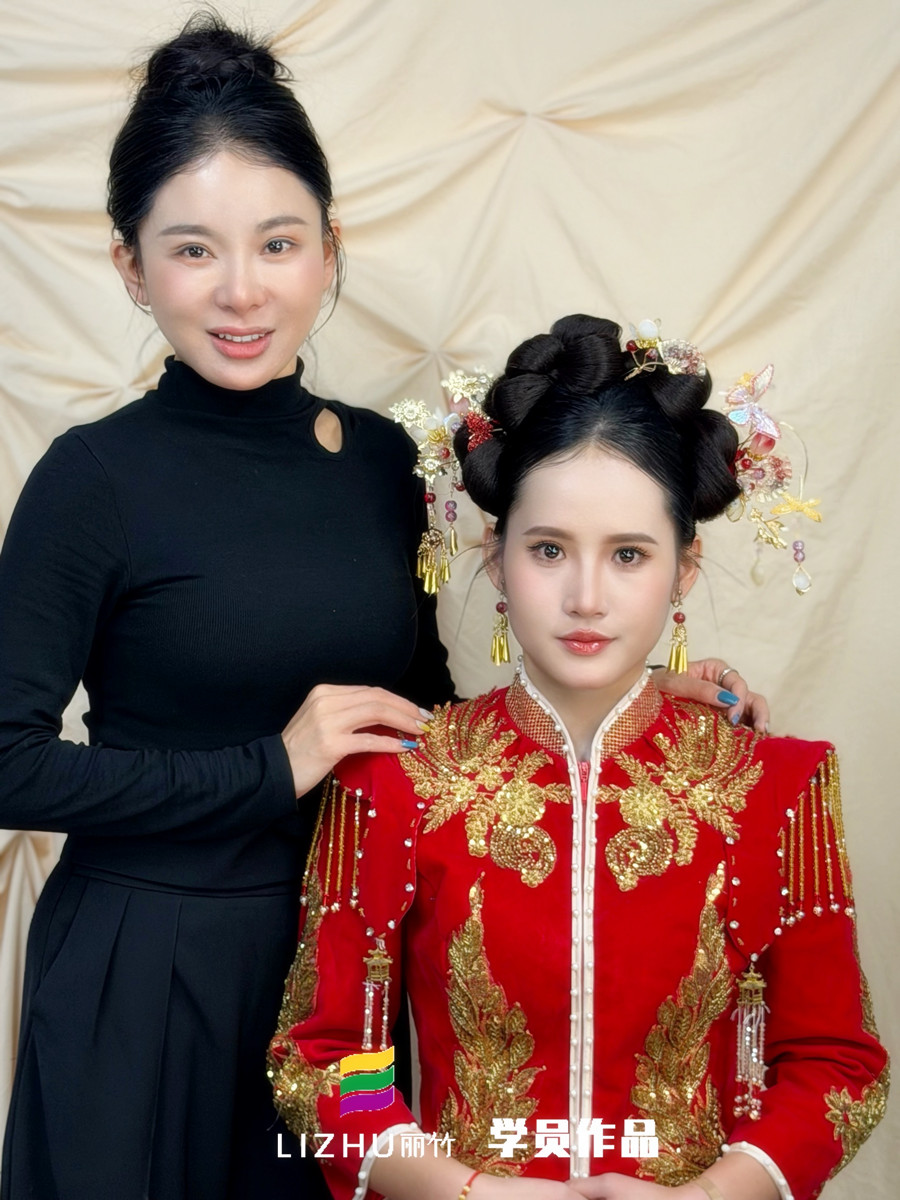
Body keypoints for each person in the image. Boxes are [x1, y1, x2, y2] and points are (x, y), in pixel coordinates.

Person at [0, 15, 762, 1199]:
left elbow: (426, 724)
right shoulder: (92, 479)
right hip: (146, 975)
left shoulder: (375, 463)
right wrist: (270, 767)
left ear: (328, 248)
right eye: (193, 250)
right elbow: (7, 765)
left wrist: (631, 696)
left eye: (279, 243)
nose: (242, 290)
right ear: (131, 267)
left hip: (350, 979)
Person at [268, 315, 887, 1200]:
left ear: (684, 570)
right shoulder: (395, 780)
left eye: (629, 555)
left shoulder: (775, 786)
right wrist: (464, 1190)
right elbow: (329, 1060)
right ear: (496, 557)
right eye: (549, 550)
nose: (586, 597)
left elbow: (836, 1064)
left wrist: (712, 1194)